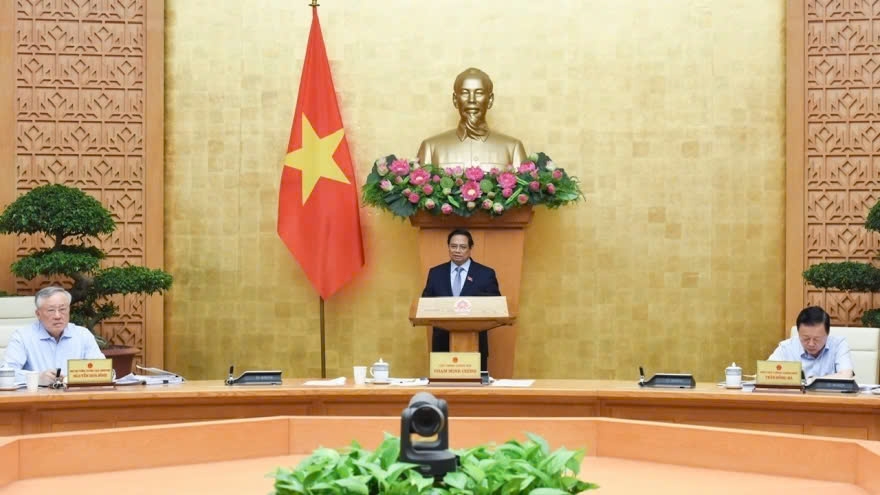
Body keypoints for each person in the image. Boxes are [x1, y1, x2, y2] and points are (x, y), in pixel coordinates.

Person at [417, 67, 527, 171]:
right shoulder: (430, 148)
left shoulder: (513, 148)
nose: (471, 99)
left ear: (490, 100)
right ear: (455, 99)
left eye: (479, 93)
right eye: (465, 92)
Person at [421, 229, 500, 372]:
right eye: (453, 246)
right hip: (442, 344)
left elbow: (496, 306)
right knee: (443, 390)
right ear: (448, 247)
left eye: (462, 247)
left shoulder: (485, 274)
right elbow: (425, 303)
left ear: (470, 249)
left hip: (474, 344)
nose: (457, 250)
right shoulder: (436, 273)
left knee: (474, 392)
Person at [4, 286, 104, 385]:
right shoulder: (23, 336)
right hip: (38, 398)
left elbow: (104, 372)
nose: (58, 316)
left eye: (62, 309)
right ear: (38, 314)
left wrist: (75, 378)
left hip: (75, 397)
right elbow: (5, 374)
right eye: (51, 310)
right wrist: (37, 378)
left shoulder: (83, 335)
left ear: (69, 310)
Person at [768, 306, 854, 379]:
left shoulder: (839, 345)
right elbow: (767, 373)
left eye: (817, 339)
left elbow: (846, 375)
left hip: (829, 398)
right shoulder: (786, 347)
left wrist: (812, 381)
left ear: (827, 334)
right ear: (798, 332)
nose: (811, 344)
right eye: (806, 338)